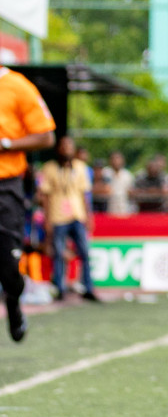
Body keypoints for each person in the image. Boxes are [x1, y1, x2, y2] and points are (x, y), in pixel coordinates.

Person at [0, 66, 56, 339]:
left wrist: (6, 144)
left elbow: (46, 136)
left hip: (5, 187)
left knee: (8, 266)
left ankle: (13, 297)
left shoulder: (16, 86)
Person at [36, 135, 97, 302]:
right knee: (58, 252)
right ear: (58, 149)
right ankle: (60, 288)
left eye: (69, 146)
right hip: (57, 216)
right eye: (63, 146)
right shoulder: (49, 168)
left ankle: (88, 287)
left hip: (77, 214)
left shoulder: (81, 167)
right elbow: (45, 197)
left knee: (84, 252)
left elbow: (86, 195)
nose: (66, 149)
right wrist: (47, 219)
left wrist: (89, 216)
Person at [105, 151, 136, 216]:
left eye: (118, 159)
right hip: (109, 208)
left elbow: (131, 191)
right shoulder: (105, 173)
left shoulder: (127, 175)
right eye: (114, 159)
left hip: (124, 208)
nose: (116, 161)